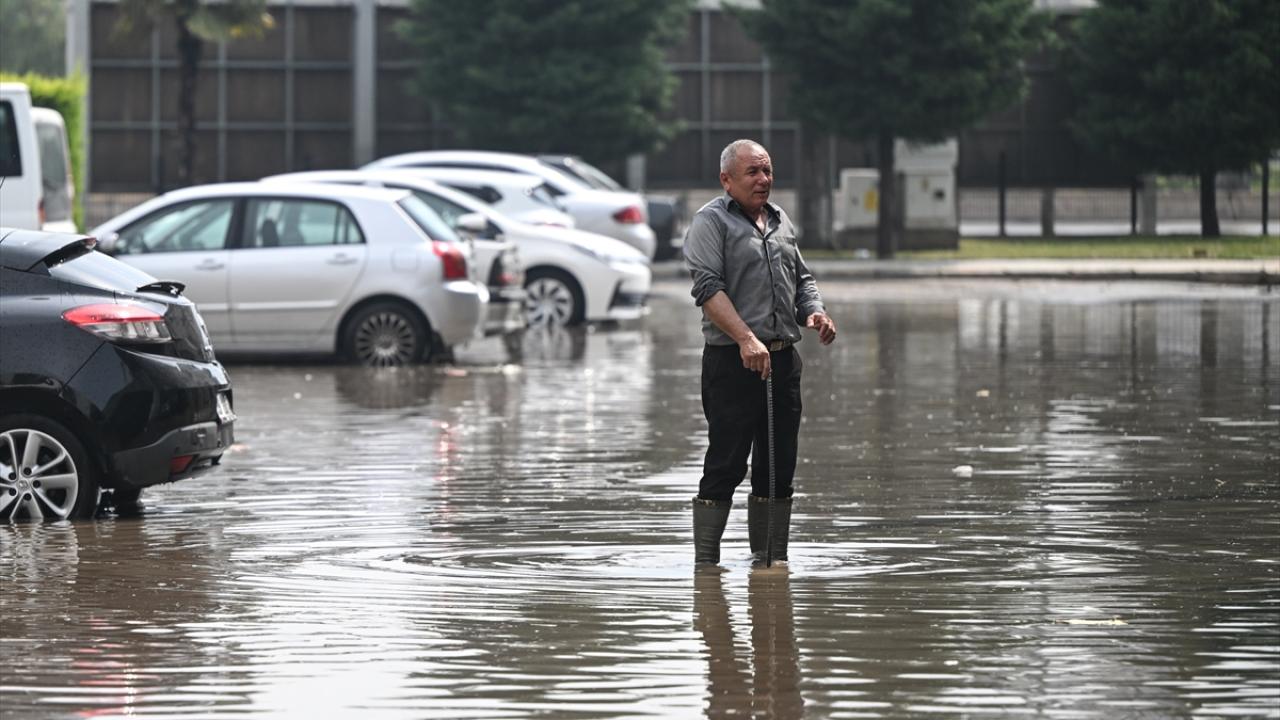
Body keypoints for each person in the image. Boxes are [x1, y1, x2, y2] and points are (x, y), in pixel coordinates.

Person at [684, 138, 837, 566]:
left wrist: (815, 312)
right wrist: (745, 339)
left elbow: (802, 277)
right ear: (726, 180)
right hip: (733, 363)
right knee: (726, 463)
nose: (763, 180)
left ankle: (769, 565)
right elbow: (707, 289)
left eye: (767, 171)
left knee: (778, 467)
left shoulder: (780, 220)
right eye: (752, 172)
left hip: (783, 360)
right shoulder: (710, 222)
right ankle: (706, 568)